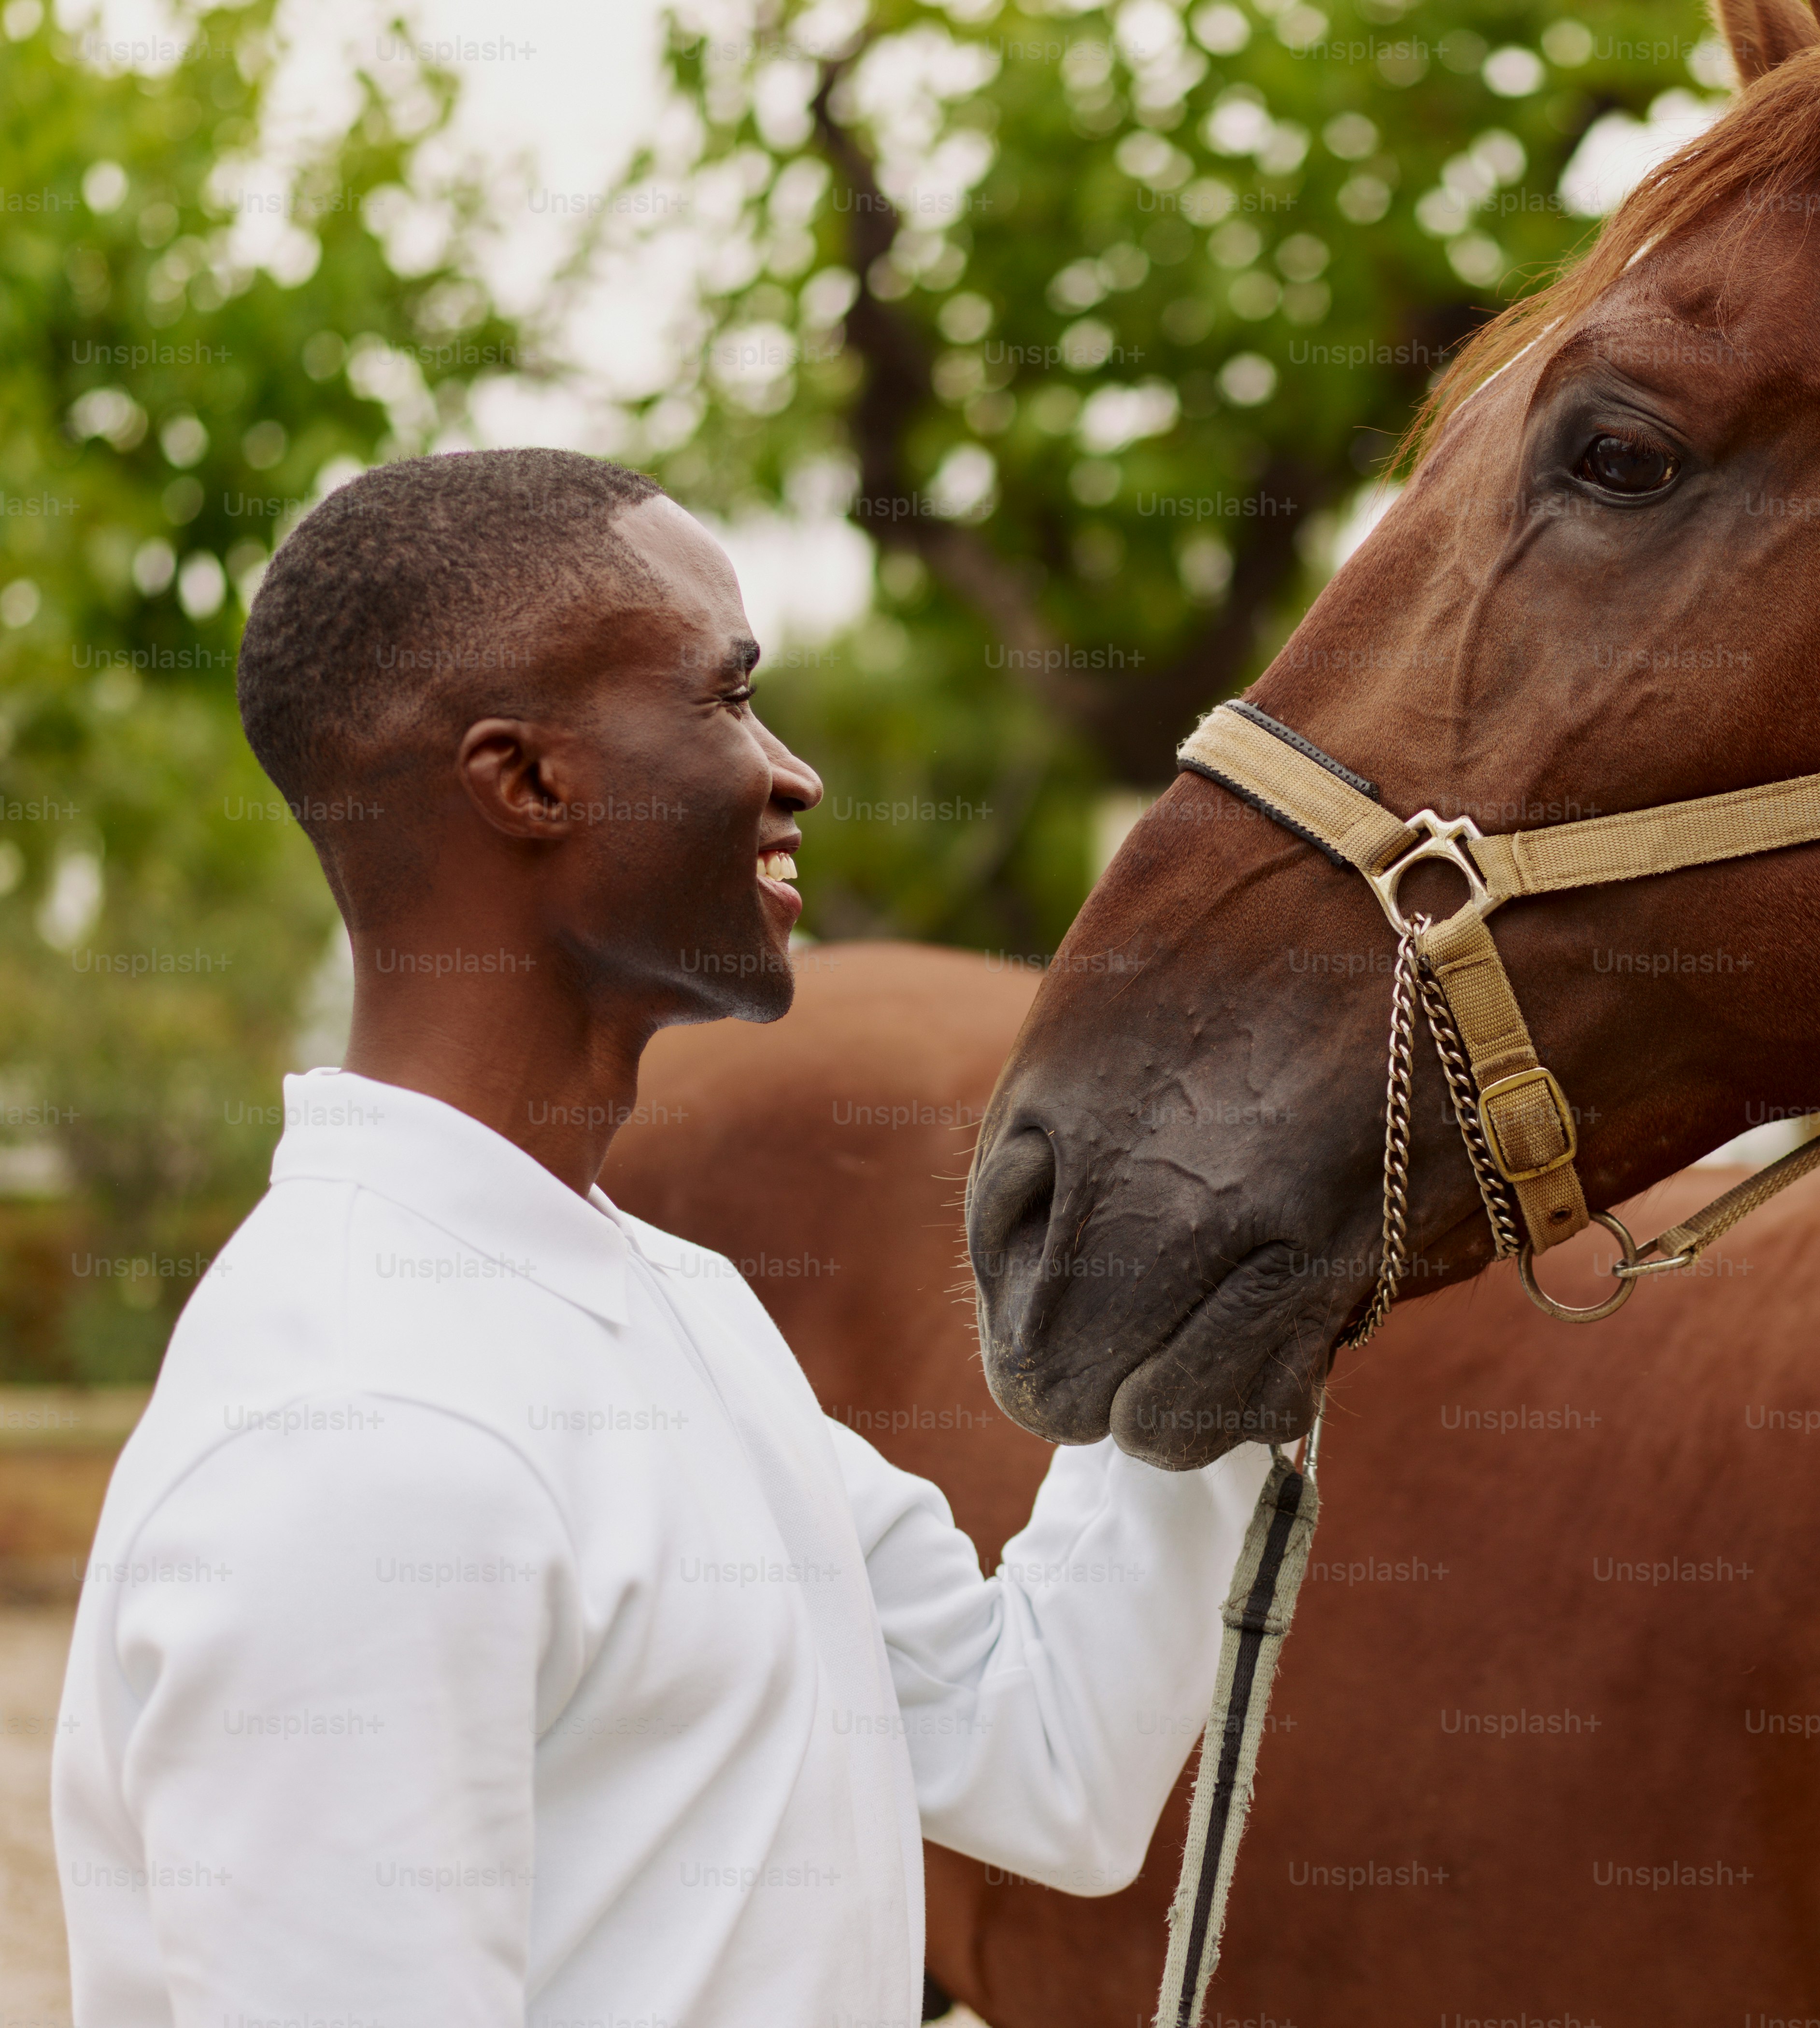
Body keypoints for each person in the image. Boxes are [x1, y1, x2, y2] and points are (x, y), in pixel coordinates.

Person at [51, 449, 1263, 2023]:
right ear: (529, 782)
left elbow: (1047, 1766)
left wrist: (1228, 1282)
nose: (793, 771)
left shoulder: (667, 1307)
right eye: (725, 696)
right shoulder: (355, 1433)